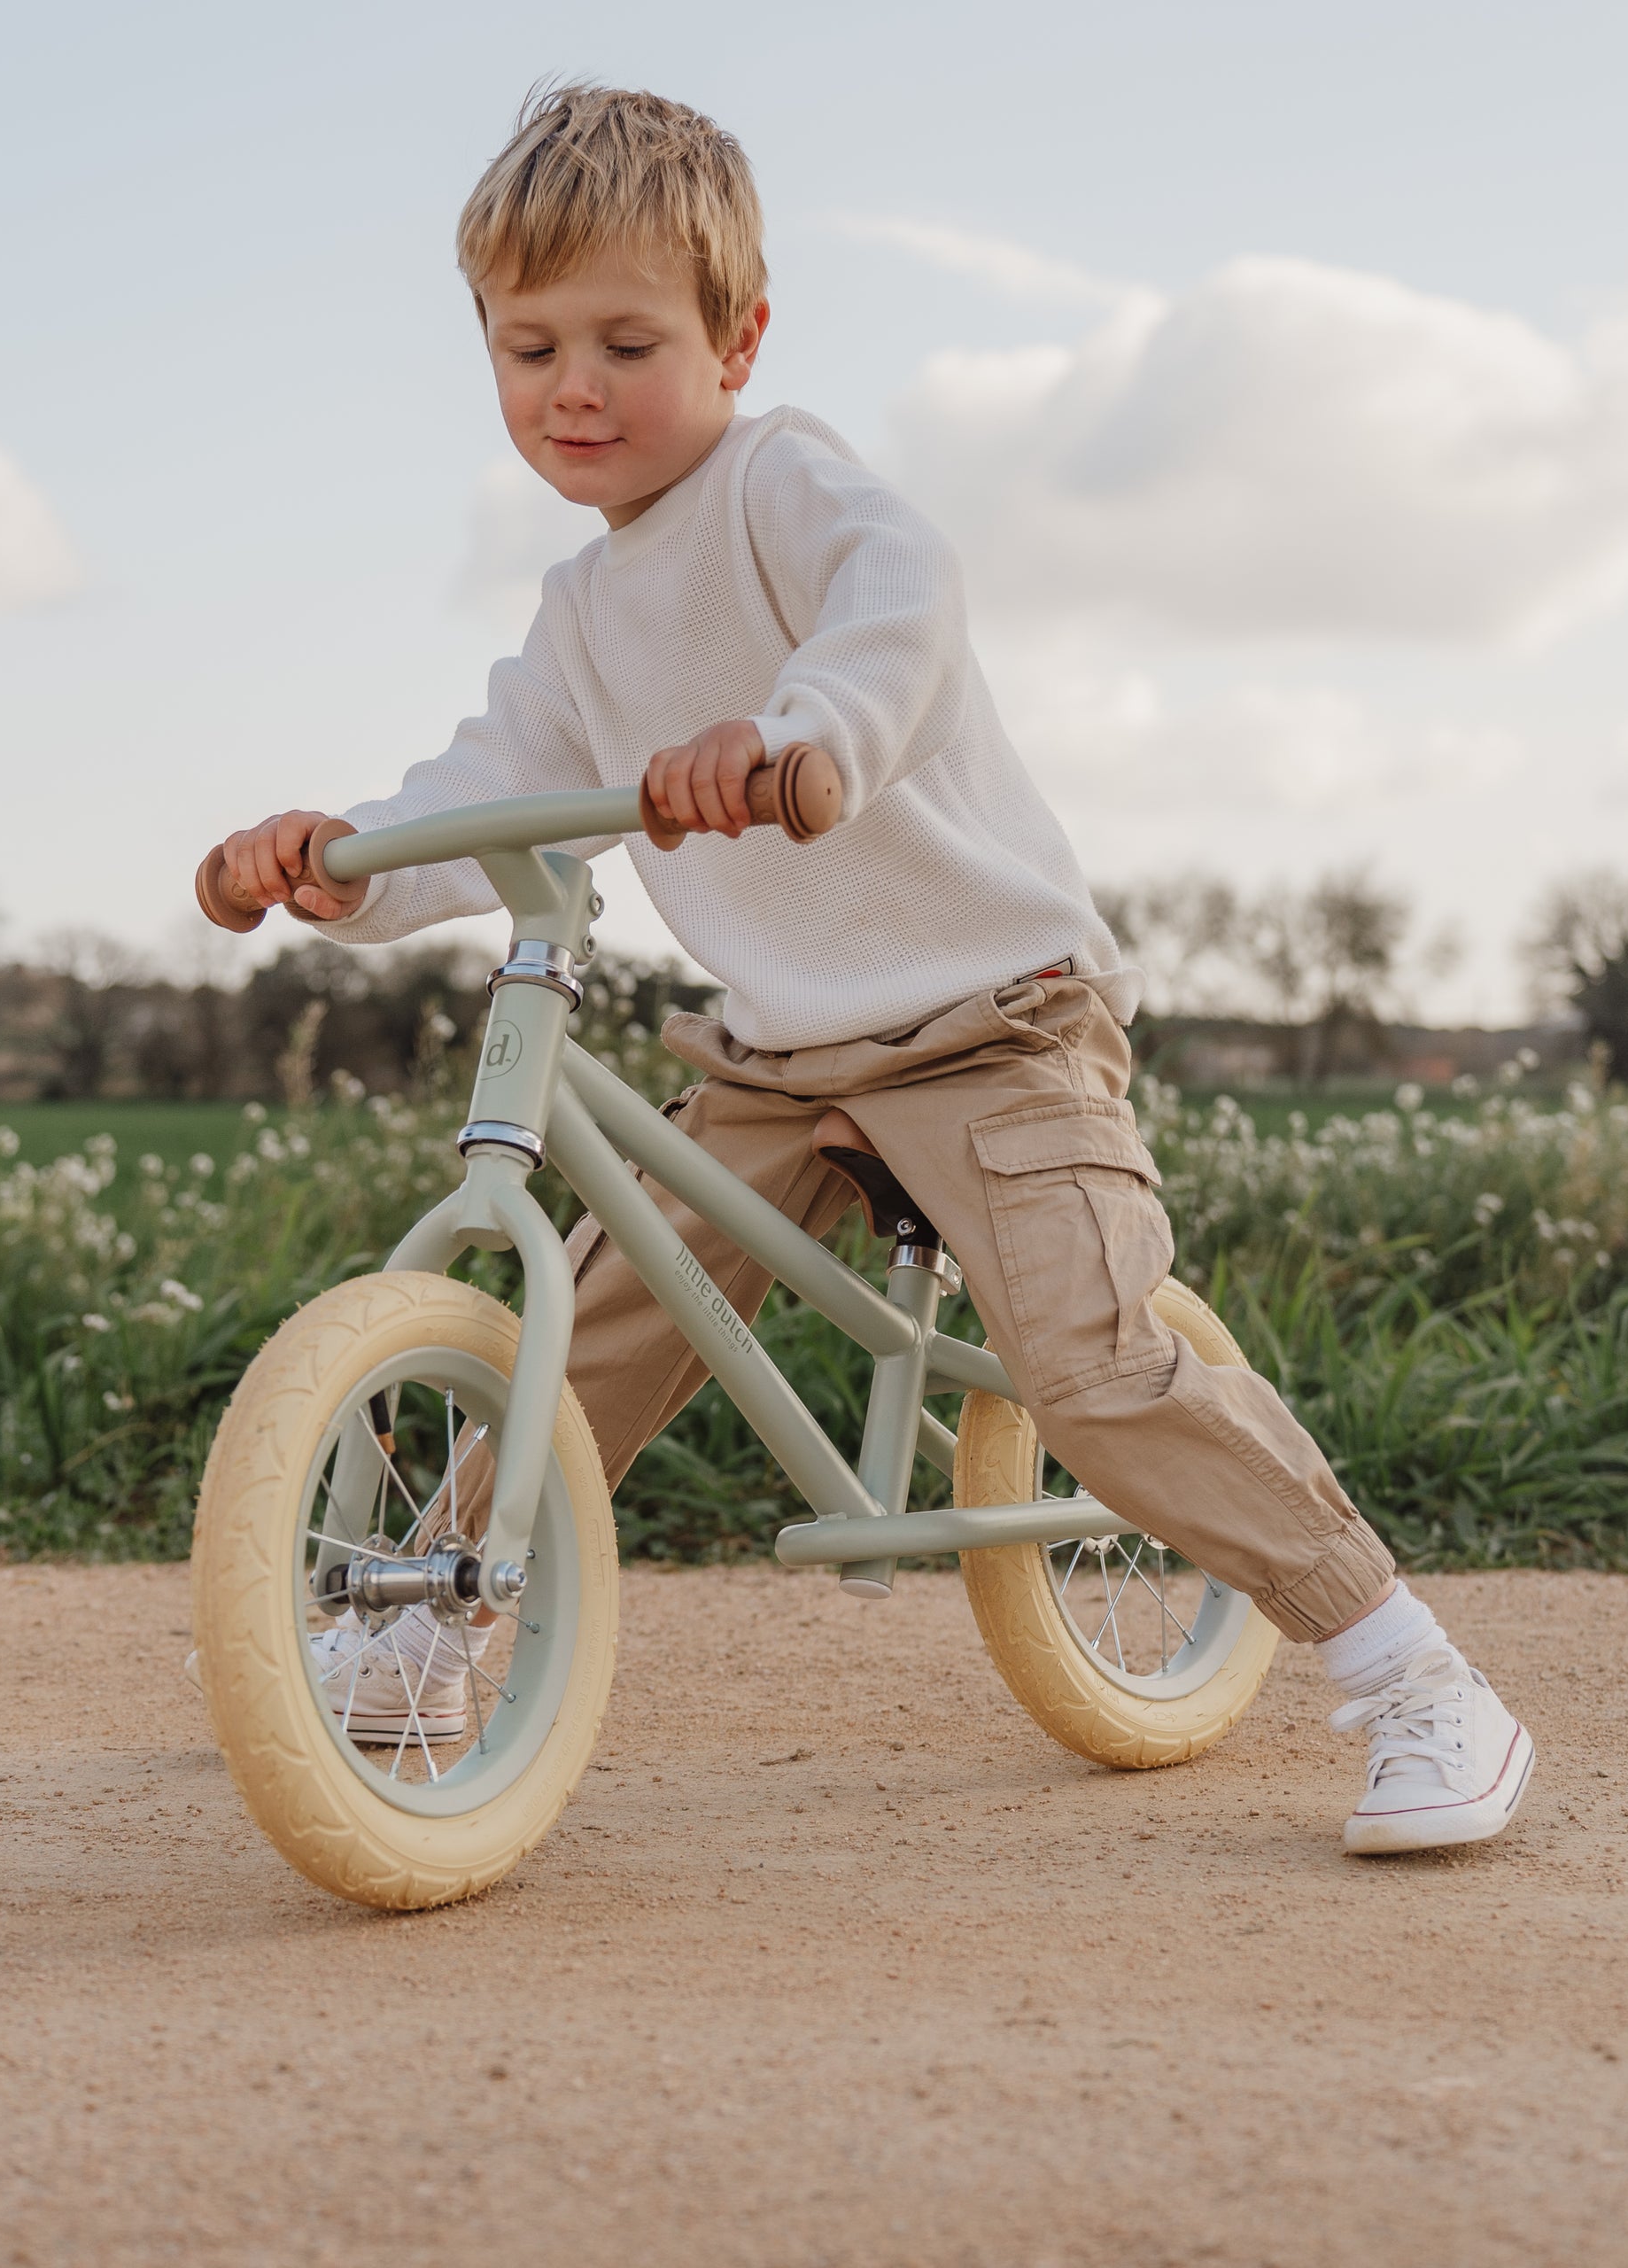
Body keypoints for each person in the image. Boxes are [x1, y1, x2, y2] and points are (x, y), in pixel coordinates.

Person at [202, 82, 1531, 1854]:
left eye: (626, 341)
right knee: (597, 1319)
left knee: (1092, 1364)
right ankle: (426, 1627)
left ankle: (1413, 1671)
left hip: (990, 1017)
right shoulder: (583, 617)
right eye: (530, 350)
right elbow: (485, 797)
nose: (575, 390)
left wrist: (802, 732)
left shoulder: (782, 483)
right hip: (784, 1058)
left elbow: (900, 596)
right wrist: (330, 869)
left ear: (739, 339)